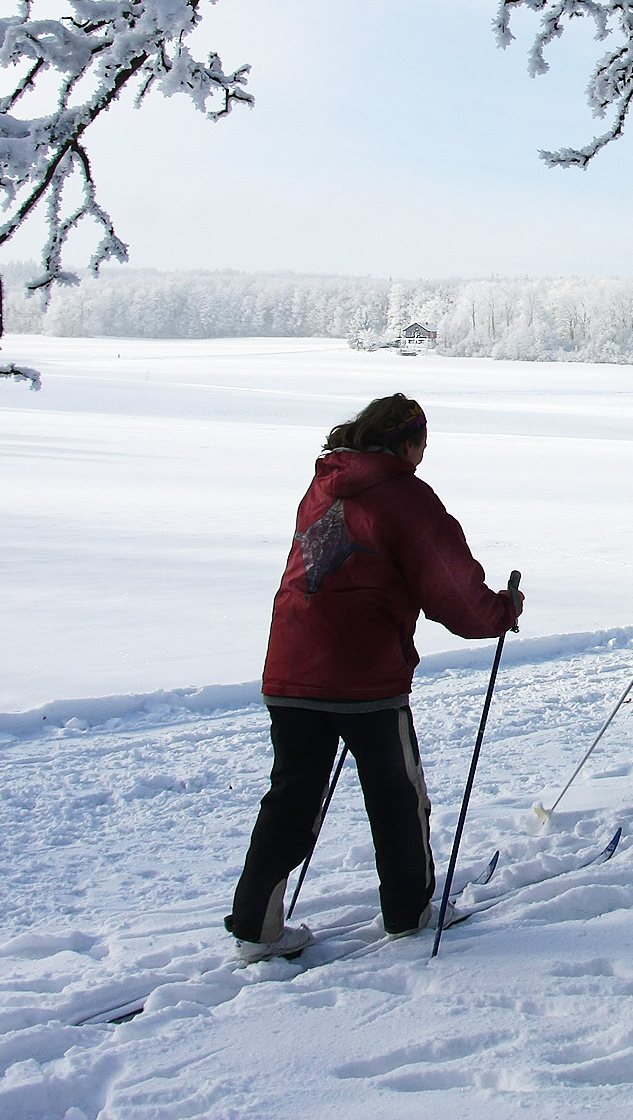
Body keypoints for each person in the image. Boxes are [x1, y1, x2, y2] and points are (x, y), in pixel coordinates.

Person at [226, 394, 525, 963]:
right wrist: (501, 611)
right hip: (365, 674)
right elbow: (452, 591)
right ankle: (409, 912)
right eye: (421, 446)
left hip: (290, 666)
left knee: (291, 796)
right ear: (406, 443)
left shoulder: (323, 486)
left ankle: (254, 927)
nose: (422, 458)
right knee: (396, 795)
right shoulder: (404, 497)